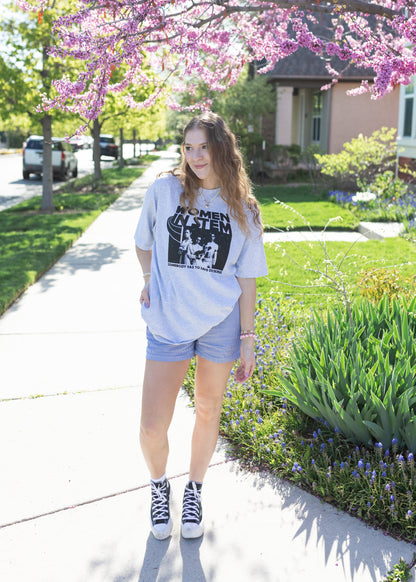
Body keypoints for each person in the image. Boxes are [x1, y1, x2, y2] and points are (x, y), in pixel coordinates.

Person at [134, 111, 267, 541]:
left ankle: (194, 489)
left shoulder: (244, 209)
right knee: (152, 426)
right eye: (188, 147)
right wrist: (149, 278)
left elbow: (246, 278)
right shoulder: (165, 190)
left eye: (203, 147)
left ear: (221, 149)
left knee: (209, 409)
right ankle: (159, 487)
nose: (194, 156)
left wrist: (247, 339)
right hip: (169, 319)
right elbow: (143, 242)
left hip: (220, 322)